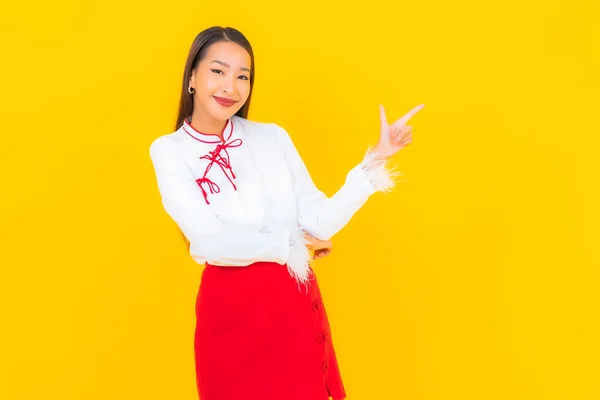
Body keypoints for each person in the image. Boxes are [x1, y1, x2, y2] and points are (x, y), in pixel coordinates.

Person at [149, 25, 424, 400]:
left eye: (242, 76)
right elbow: (209, 241)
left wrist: (376, 160)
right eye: (218, 71)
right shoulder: (169, 151)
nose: (231, 86)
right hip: (230, 317)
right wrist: (292, 244)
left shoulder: (271, 138)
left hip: (293, 310)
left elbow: (319, 220)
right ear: (192, 76)